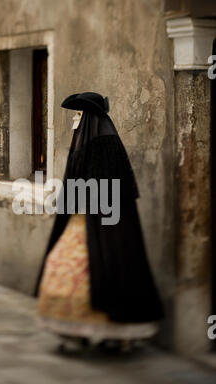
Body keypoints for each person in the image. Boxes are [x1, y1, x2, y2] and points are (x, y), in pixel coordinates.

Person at [35, 92, 164, 350]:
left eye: (79, 114)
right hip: (83, 219)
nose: (75, 119)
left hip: (107, 226)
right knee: (66, 269)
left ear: (90, 118)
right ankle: (78, 334)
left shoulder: (106, 145)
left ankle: (116, 335)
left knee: (106, 271)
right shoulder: (85, 142)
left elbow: (109, 190)